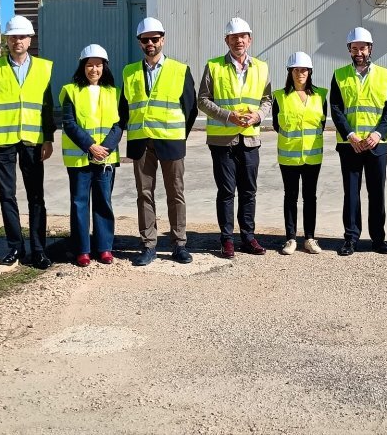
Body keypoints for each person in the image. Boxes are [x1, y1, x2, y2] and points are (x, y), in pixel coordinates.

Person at [0, 15, 56, 270]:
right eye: (13, 37)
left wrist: (48, 138)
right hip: (2, 142)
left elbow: (47, 108)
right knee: (7, 195)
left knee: (36, 196)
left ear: (30, 39)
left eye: (22, 36)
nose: (17, 41)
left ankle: (38, 249)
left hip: (33, 142)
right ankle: (14, 247)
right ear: (6, 40)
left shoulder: (43, 68)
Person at [119, 18, 198, 266]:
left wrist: (178, 135)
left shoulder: (179, 70)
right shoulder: (129, 72)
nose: (150, 43)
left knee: (176, 193)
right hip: (141, 142)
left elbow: (191, 108)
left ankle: (179, 244)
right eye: (145, 40)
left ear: (162, 40)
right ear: (140, 43)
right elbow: (123, 110)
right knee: (144, 194)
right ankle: (148, 244)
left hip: (171, 141)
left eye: (155, 39)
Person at [197, 17, 272, 259]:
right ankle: (227, 239)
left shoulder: (262, 67)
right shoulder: (214, 66)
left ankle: (248, 237)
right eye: (233, 37)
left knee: (249, 190)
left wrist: (258, 116)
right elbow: (203, 100)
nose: (238, 41)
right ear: (226, 40)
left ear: (249, 40)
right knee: (227, 191)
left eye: (243, 36)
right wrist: (228, 116)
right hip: (222, 141)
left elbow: (267, 100)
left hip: (250, 139)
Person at [329, 27, 387, 256]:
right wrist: (351, 135)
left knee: (377, 193)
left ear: (370, 49)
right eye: (354, 48)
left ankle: (379, 239)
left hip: (377, 145)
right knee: (352, 193)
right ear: (349, 50)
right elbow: (336, 109)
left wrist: (377, 134)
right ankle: (350, 239)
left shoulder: (385, 74)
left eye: (363, 48)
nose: (359, 52)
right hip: (351, 145)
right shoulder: (339, 75)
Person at [60, 45, 122, 267]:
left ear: (104, 67)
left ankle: (104, 247)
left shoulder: (113, 92)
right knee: (79, 203)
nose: (93, 69)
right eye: (89, 65)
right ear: (82, 67)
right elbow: (69, 123)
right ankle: (82, 250)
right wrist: (90, 146)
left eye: (98, 65)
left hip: (105, 157)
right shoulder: (71, 90)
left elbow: (118, 124)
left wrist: (105, 147)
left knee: (103, 201)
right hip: (80, 157)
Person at [272, 52, 327, 256]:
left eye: (304, 69)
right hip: (289, 156)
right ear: (290, 72)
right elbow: (277, 125)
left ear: (310, 71)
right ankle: (291, 238)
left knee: (310, 196)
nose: (300, 73)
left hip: (313, 156)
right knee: (291, 196)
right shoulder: (280, 96)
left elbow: (321, 124)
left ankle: (310, 238)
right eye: (296, 69)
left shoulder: (321, 95)